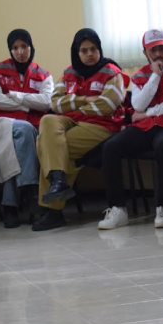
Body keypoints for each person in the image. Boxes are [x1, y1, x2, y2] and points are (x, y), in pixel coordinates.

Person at [98, 29, 163, 230]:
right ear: (145, 53)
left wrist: (150, 112)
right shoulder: (140, 75)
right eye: (154, 50)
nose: (159, 53)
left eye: (162, 48)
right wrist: (156, 76)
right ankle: (117, 208)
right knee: (111, 147)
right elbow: (138, 105)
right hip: (144, 126)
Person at [32, 28, 129, 232]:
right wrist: (85, 100)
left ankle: (51, 210)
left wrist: (72, 105)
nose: (89, 54)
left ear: (100, 49)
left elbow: (107, 106)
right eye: (84, 50)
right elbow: (54, 104)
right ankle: (57, 184)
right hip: (69, 122)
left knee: (47, 145)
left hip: (101, 125)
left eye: (93, 49)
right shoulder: (69, 73)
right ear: (77, 53)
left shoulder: (112, 72)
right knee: (48, 121)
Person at [0, 29, 53, 228]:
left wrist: (17, 97)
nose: (20, 51)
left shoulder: (43, 75)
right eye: (15, 47)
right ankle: (31, 194)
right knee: (25, 131)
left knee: (20, 139)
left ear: (31, 47)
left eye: (24, 46)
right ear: (10, 50)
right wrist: (27, 104)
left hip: (28, 128)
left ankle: (10, 204)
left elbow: (46, 102)